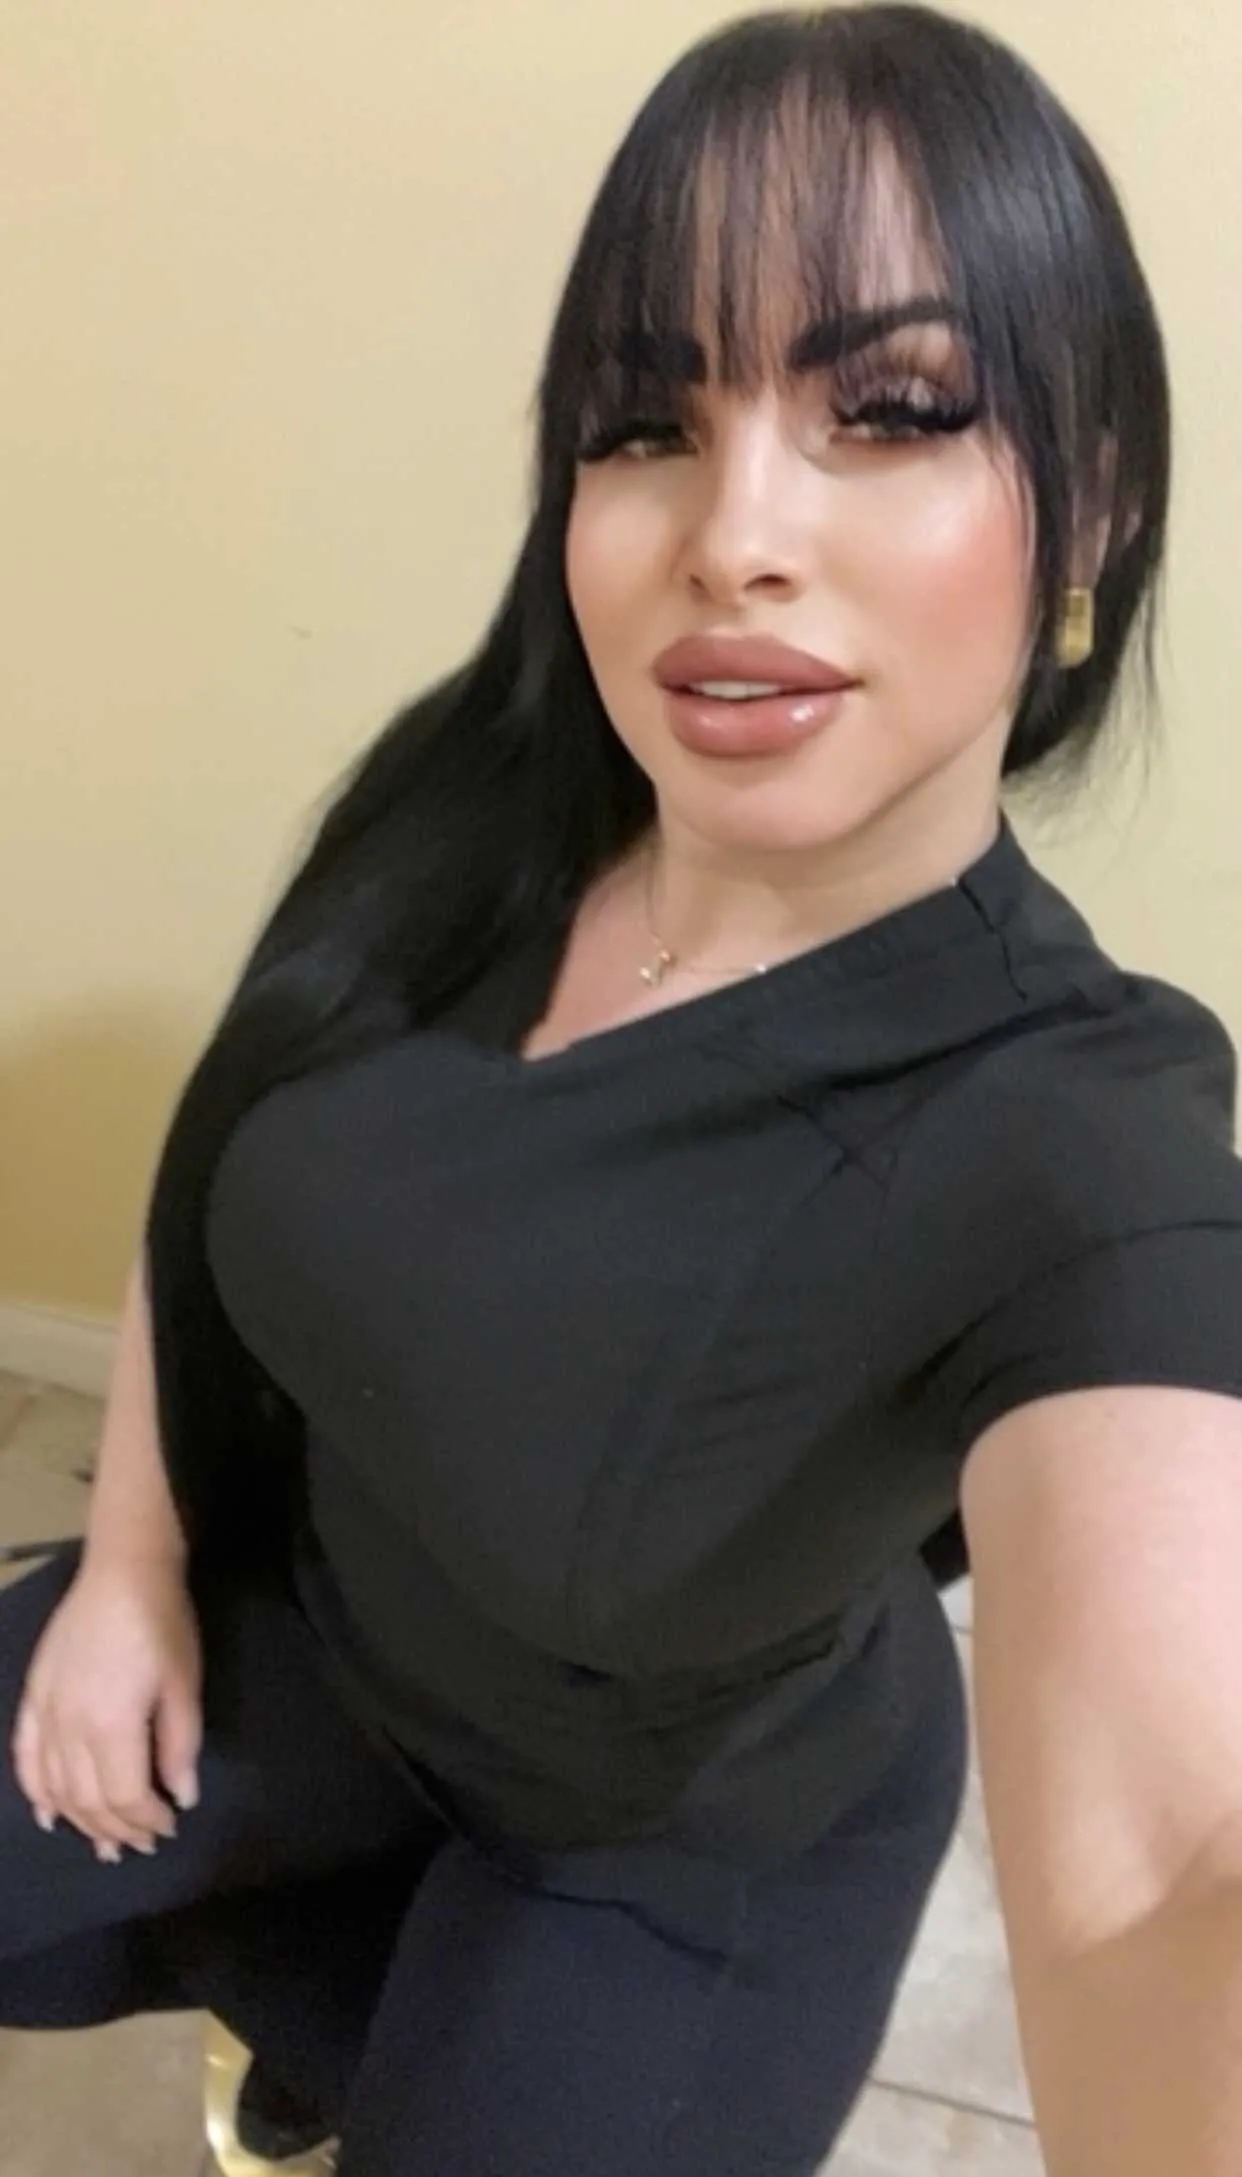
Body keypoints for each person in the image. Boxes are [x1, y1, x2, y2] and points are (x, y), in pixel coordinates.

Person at [4, 5, 1242, 2172]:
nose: (732, 532)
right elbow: (222, 1155)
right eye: (647, 420)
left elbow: (1165, 1877)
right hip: (318, 1654)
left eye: (891, 409)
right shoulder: (473, 797)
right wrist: (130, 1566)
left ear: (1099, 501)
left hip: (672, 1861)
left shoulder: (1080, 1127)